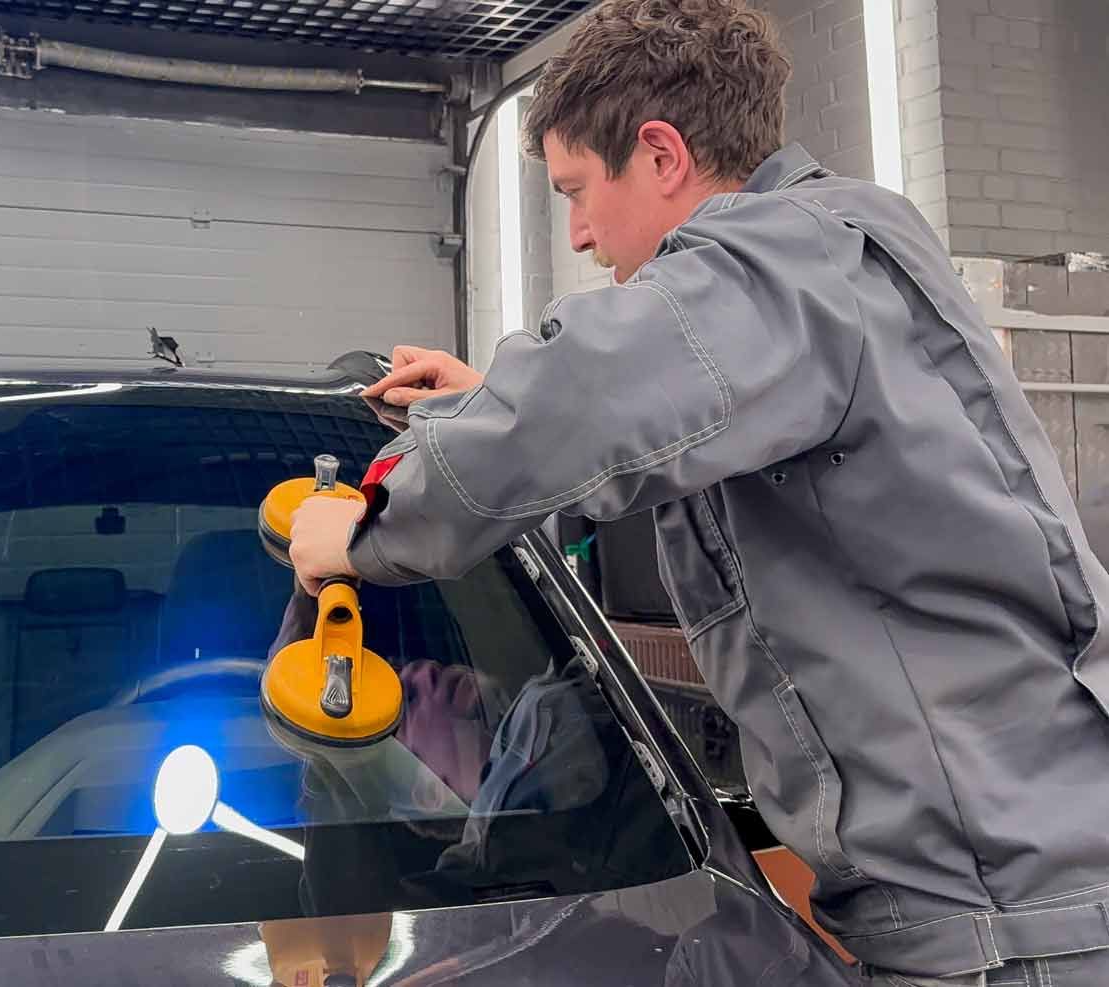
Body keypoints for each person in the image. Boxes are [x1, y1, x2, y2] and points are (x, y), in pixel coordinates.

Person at [284, 1, 1109, 984]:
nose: (582, 236)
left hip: (1010, 928)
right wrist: (482, 403)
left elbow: (590, 390)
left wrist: (360, 531)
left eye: (580, 191)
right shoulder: (830, 262)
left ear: (664, 155)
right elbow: (635, 416)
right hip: (1011, 897)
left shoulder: (790, 264)